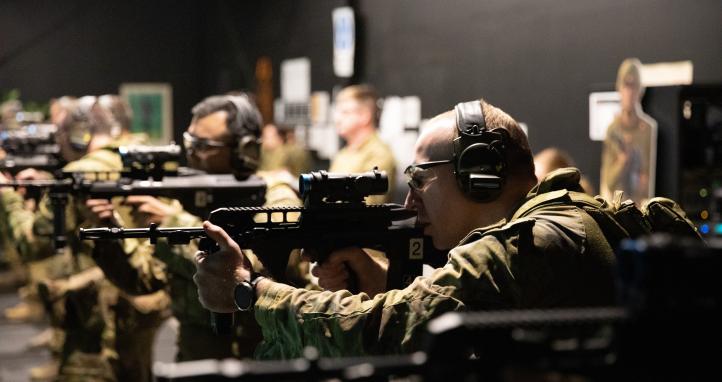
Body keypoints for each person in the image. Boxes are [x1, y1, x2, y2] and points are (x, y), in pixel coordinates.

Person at [193, 98, 620, 359]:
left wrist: (249, 289)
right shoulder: (574, 217)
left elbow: (383, 332)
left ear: (479, 175)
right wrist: (381, 282)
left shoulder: (522, 246)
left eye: (420, 180)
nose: (410, 201)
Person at [87, 94, 308, 363]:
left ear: (245, 150)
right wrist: (111, 233)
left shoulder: (276, 198)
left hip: (262, 358)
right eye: (189, 142)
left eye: (203, 145)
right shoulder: (188, 200)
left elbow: (273, 267)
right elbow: (144, 279)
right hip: (195, 357)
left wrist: (176, 224)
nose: (191, 153)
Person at [0, 96, 167, 381]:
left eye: (61, 134)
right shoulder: (148, 155)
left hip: (96, 314)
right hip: (146, 305)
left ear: (79, 134)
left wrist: (7, 196)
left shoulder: (80, 173)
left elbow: (32, 244)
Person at [600, 58, 657, 205]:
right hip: (617, 206)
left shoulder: (647, 129)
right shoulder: (612, 130)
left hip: (638, 206)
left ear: (640, 90)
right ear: (619, 88)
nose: (629, 92)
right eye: (626, 86)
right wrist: (622, 162)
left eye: (634, 87)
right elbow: (609, 181)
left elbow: (646, 183)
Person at [330, 85, 396, 204]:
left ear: (365, 116)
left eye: (345, 112)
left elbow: (369, 205)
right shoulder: (344, 154)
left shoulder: (379, 154)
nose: (337, 119)